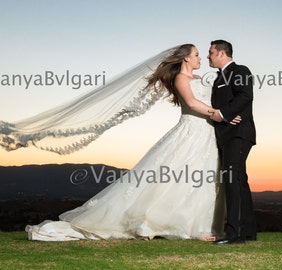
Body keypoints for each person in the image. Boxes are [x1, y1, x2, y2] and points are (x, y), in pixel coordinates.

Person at [21, 44, 237, 241]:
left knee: (201, 180)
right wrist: (219, 113)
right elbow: (191, 102)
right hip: (190, 131)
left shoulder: (203, 80)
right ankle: (184, 228)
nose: (201, 58)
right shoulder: (181, 79)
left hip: (208, 134)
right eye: (197, 55)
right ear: (186, 59)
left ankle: (200, 225)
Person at [208, 40, 257, 244]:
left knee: (232, 180)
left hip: (239, 133)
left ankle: (234, 234)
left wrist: (225, 114)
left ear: (221, 53)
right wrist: (221, 114)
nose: (208, 56)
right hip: (227, 135)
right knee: (238, 180)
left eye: (211, 52)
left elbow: (245, 96)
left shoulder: (240, 71)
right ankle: (247, 231)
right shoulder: (219, 77)